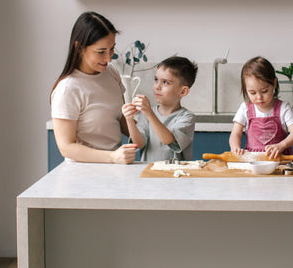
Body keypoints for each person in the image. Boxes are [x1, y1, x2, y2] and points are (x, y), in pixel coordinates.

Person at [50, 11, 138, 164]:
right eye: (101, 52)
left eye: (112, 49)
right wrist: (112, 157)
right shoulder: (68, 89)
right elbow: (66, 147)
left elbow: (123, 121)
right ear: (79, 48)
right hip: (82, 173)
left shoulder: (111, 73)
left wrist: (155, 126)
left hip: (115, 168)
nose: (109, 58)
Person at [122, 56, 198, 161]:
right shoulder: (147, 113)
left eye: (165, 82)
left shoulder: (187, 118)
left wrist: (149, 114)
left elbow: (168, 140)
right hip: (149, 173)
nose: (157, 86)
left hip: (176, 175)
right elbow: (139, 144)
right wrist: (129, 119)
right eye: (156, 80)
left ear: (183, 91)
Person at [229, 56, 293, 159]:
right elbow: (235, 134)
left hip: (279, 161)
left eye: (264, 91)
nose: (259, 97)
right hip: (253, 161)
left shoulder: (283, 108)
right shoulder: (245, 109)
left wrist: (282, 145)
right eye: (252, 93)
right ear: (246, 89)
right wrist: (235, 147)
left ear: (274, 84)